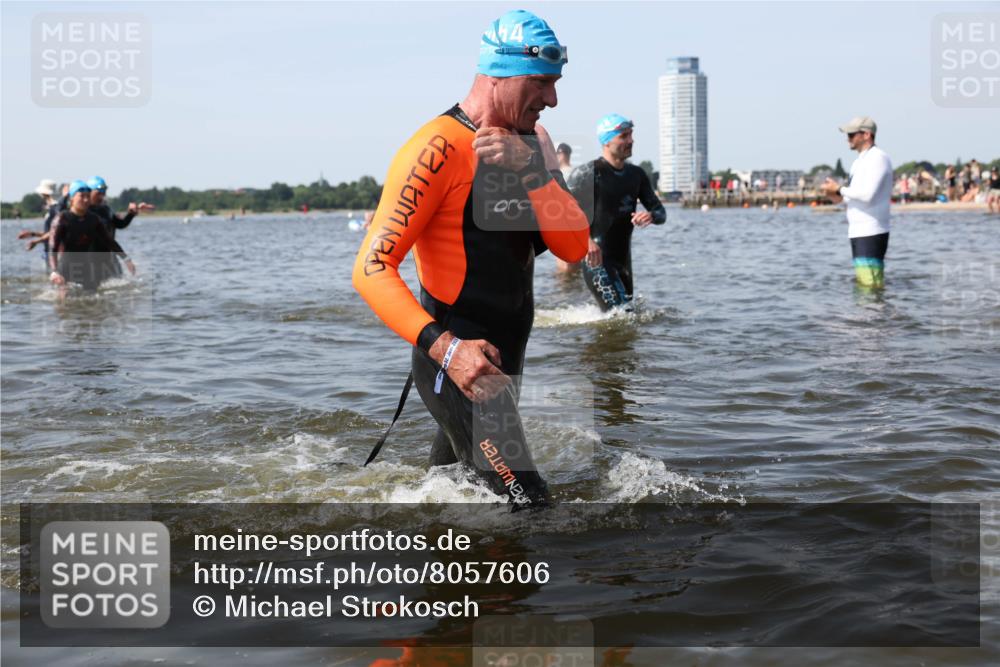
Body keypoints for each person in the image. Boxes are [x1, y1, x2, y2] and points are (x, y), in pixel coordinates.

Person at [351, 10, 588, 509]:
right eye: (541, 83)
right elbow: (371, 270)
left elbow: (573, 247)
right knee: (530, 509)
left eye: (555, 84)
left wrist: (535, 171)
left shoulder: (534, 145)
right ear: (499, 74)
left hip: (504, 362)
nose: (552, 99)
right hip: (457, 364)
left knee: (450, 500)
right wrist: (449, 351)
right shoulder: (436, 148)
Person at [567, 113, 666, 310]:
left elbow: (660, 212)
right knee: (621, 315)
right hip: (596, 261)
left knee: (626, 317)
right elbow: (560, 213)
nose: (631, 140)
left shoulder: (636, 174)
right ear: (606, 141)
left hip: (624, 263)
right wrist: (586, 241)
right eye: (624, 136)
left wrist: (650, 216)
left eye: (631, 135)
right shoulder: (587, 173)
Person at [820, 116, 893, 288]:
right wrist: (833, 194)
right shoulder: (858, 162)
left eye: (851, 135)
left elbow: (867, 195)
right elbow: (850, 196)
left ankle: (877, 306)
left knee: (870, 286)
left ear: (867, 134)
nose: (848, 139)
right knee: (864, 286)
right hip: (858, 231)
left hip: (871, 230)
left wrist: (839, 188)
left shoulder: (878, 157)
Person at [49, 180, 136, 292]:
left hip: (87, 268)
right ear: (72, 198)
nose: (86, 200)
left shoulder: (94, 219)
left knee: (94, 299)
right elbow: (53, 248)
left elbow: (109, 241)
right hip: (66, 269)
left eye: (87, 196)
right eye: (82, 196)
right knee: (65, 299)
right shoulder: (62, 219)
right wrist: (54, 271)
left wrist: (126, 259)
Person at [86, 176, 154, 276]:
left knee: (118, 282)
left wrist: (131, 214)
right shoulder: (84, 212)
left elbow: (120, 224)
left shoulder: (106, 209)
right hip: (90, 257)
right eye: (98, 193)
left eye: (104, 192)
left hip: (109, 255)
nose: (102, 195)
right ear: (89, 192)